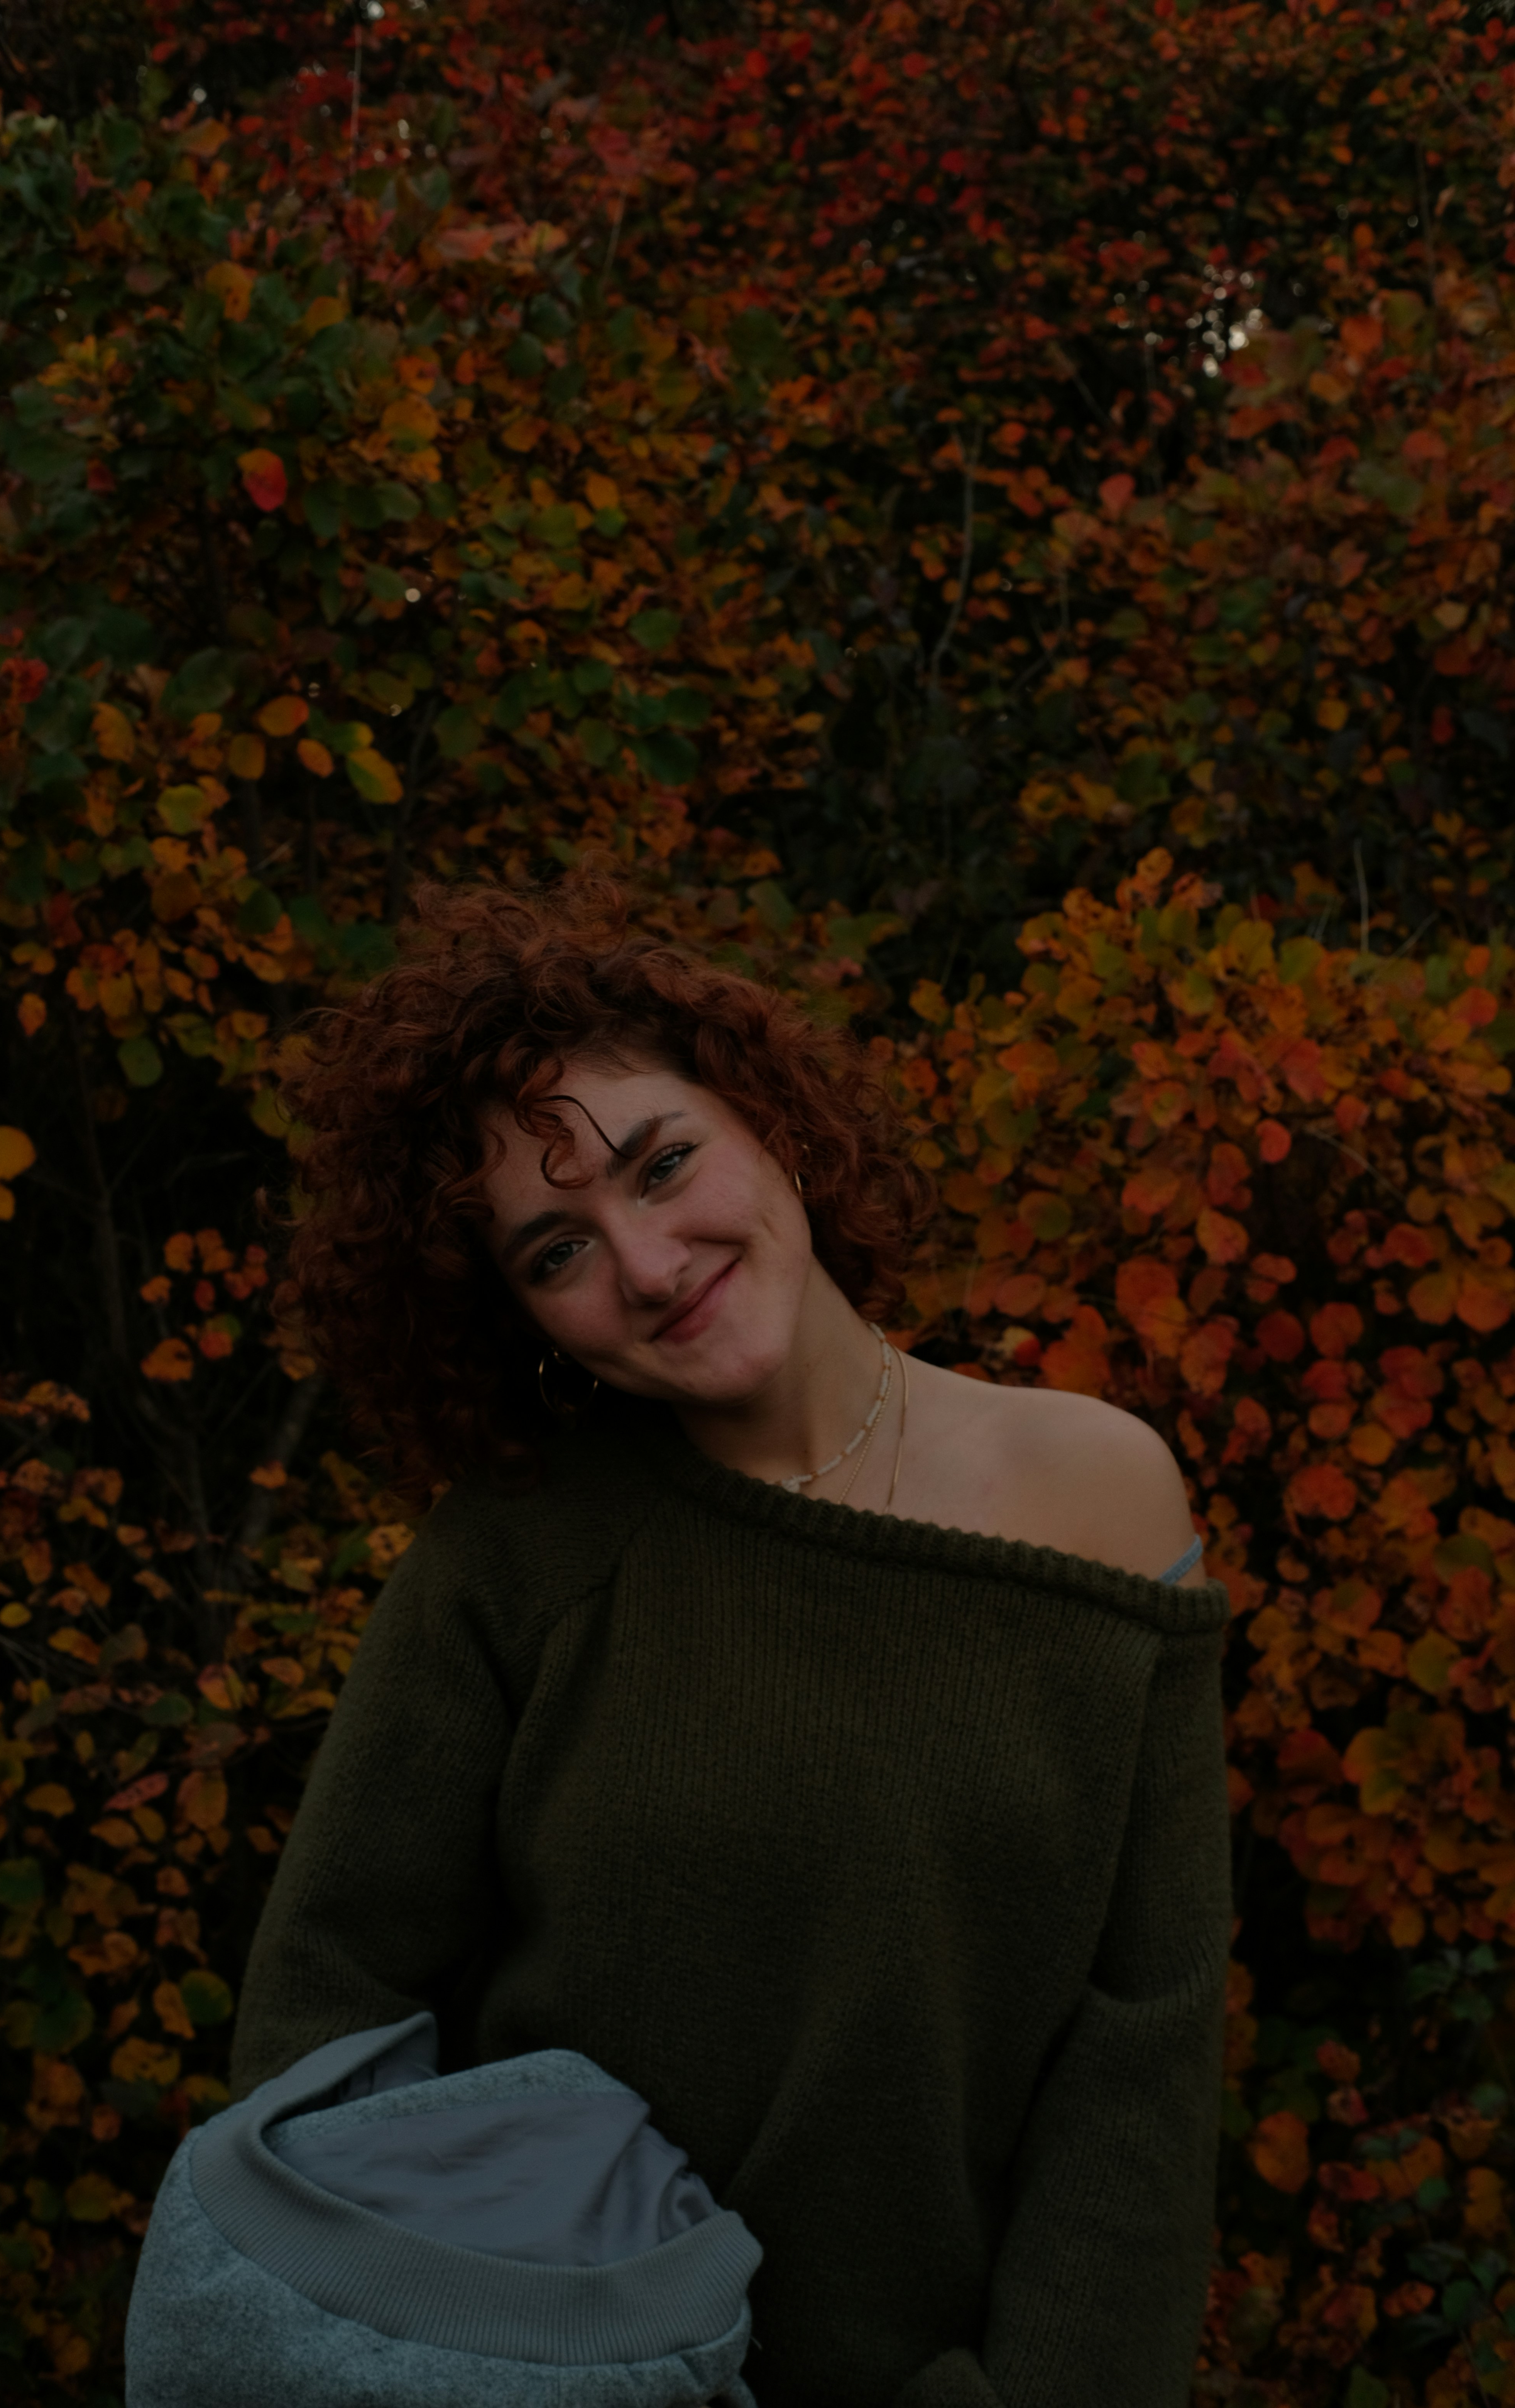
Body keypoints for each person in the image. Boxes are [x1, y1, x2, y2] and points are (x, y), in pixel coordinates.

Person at [230, 869, 1233, 2408]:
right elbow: (331, 2010)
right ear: (517, 1315)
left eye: (662, 1164)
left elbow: (1138, 2068)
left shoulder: (1099, 1498)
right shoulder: (520, 1553)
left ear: (771, 1117)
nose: (644, 1265)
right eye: (554, 1252)